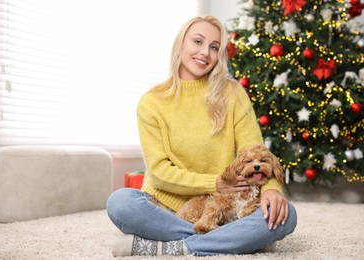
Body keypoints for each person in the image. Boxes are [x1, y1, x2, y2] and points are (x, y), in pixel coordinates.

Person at [106, 15, 297, 257]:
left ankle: (172, 247)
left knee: (286, 215)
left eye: (214, 47)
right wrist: (214, 183)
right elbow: (159, 172)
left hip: (227, 209)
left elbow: (255, 151)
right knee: (120, 203)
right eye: (198, 41)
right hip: (166, 208)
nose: (205, 52)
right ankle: (235, 239)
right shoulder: (151, 102)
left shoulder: (232, 93)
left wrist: (271, 189)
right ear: (181, 44)